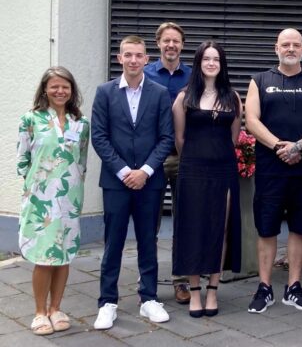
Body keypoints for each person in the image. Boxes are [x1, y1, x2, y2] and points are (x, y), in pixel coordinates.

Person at [244, 28, 302, 314]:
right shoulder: (260, 80)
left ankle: (293, 286)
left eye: (296, 44)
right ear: (276, 48)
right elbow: (251, 120)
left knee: (300, 226)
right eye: (285, 44)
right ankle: (265, 287)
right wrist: (279, 146)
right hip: (270, 167)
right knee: (266, 227)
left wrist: (299, 146)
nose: (290, 49)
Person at [91, 35, 175, 330]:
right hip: (116, 182)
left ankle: (149, 298)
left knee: (147, 241)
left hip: (149, 182)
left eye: (139, 55)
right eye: (128, 55)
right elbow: (98, 137)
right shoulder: (104, 92)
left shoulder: (160, 93)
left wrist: (146, 171)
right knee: (113, 242)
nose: (134, 60)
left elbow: (167, 138)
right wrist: (125, 171)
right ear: (120, 58)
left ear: (146, 58)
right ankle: (107, 302)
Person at [16, 67, 90, 335]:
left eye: (65, 87)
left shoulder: (80, 123)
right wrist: (36, 189)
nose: (60, 91)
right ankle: (39, 312)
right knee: (44, 256)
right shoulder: (30, 119)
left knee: (63, 254)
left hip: (69, 197)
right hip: (40, 198)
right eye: (54, 87)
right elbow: (22, 161)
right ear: (45, 89)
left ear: (72, 90)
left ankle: (56, 308)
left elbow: (82, 162)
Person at [172, 41, 242, 318]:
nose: (211, 63)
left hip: (223, 169)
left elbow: (234, 139)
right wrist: (195, 159)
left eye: (216, 59)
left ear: (222, 64)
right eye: (206, 58)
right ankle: (194, 291)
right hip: (192, 170)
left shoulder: (233, 98)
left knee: (220, 227)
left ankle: (213, 289)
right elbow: (180, 139)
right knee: (194, 228)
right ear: (199, 62)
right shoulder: (184, 97)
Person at [144, 22, 192, 304]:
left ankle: (181, 280)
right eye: (166, 41)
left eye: (176, 41)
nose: (171, 45)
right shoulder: (146, 74)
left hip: (183, 157)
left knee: (182, 219)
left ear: (182, 45)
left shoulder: (193, 76)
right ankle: (146, 277)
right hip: (153, 158)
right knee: (149, 219)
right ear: (158, 44)